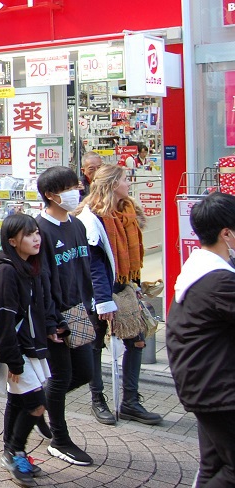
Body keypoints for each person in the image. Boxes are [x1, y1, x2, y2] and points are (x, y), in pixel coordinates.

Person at [76, 165, 162, 425]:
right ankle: (98, 399)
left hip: (124, 289)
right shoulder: (91, 219)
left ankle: (130, 401)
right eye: (125, 179)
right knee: (95, 344)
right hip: (97, 293)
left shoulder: (128, 212)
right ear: (113, 184)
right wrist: (103, 301)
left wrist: (135, 286)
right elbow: (95, 264)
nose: (129, 183)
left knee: (137, 340)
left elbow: (132, 256)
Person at [166, 192, 235, 487]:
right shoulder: (218, 281)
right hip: (217, 388)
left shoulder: (201, 269)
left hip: (204, 383)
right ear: (227, 233)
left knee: (213, 464)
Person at [0, 214, 53, 487]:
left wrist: (52, 326)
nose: (36, 238)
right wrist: (14, 361)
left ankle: (12, 452)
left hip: (28, 346)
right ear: (13, 241)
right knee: (36, 404)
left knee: (18, 400)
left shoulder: (25, 267)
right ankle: (15, 451)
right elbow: (0, 318)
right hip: (18, 350)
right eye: (29, 235)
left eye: (36, 232)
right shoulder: (6, 272)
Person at [35, 166, 94, 466]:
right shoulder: (39, 231)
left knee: (85, 372)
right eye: (70, 187)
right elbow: (40, 281)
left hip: (79, 310)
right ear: (50, 195)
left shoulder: (77, 225)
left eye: (77, 185)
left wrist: (93, 303)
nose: (77, 191)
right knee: (61, 376)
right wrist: (49, 320)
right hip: (56, 315)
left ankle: (37, 405)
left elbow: (83, 268)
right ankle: (59, 440)